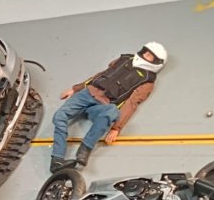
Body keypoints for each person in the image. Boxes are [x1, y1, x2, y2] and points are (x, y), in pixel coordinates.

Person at [50, 42, 167, 173]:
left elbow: (132, 103)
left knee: (112, 111)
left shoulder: (147, 81)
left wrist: (116, 128)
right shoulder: (124, 59)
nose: (146, 55)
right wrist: (76, 88)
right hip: (87, 94)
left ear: (156, 62)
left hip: (104, 104)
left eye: (150, 55)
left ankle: (85, 148)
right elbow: (102, 74)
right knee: (59, 116)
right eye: (146, 52)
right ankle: (57, 159)